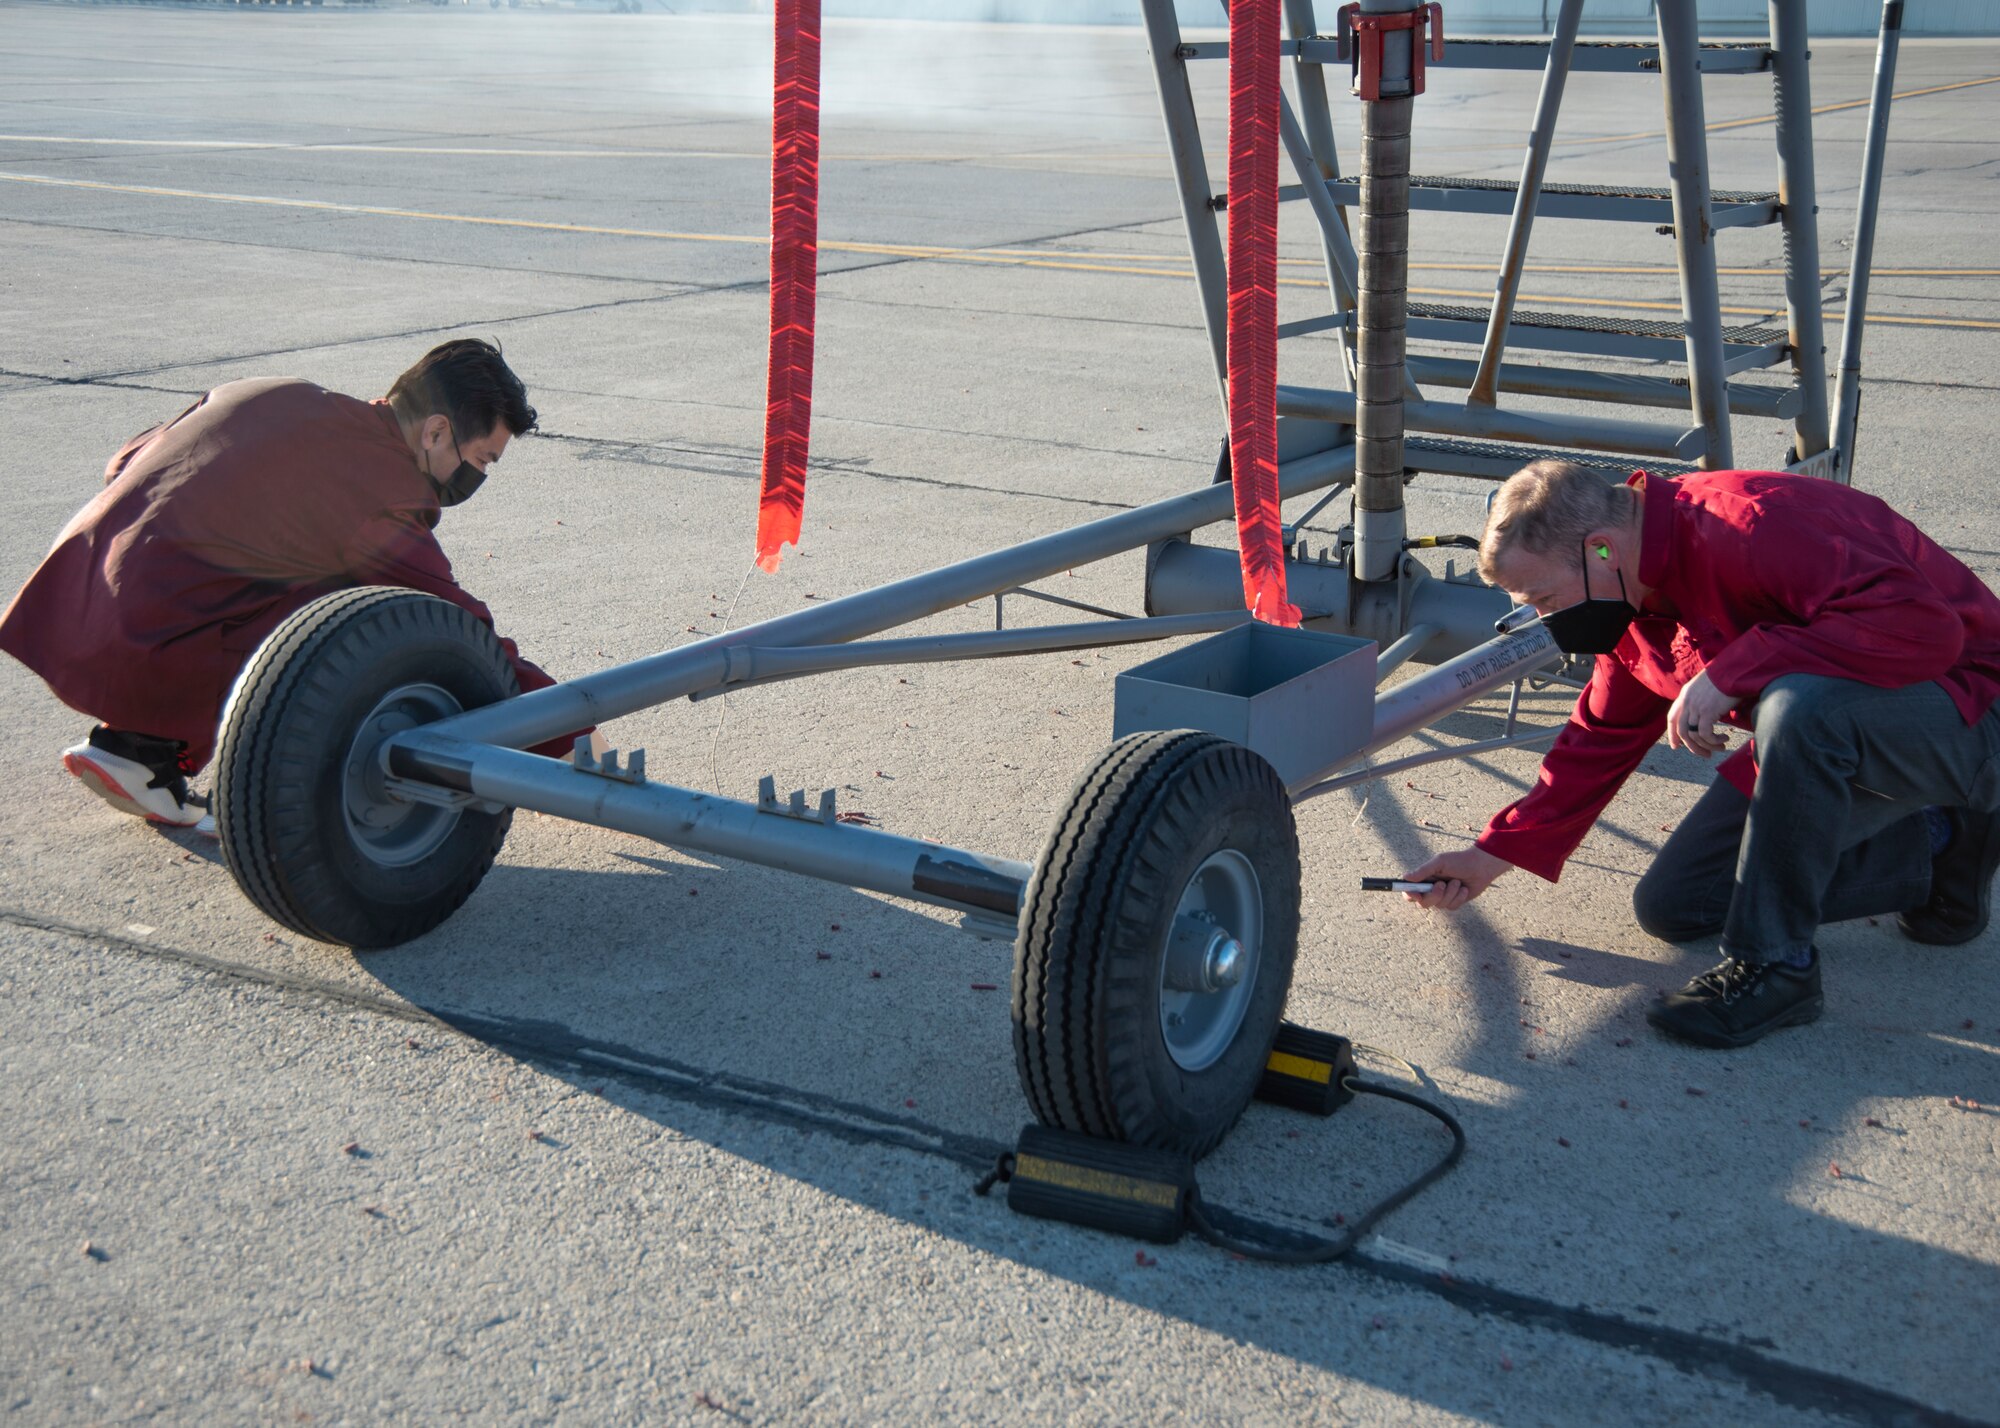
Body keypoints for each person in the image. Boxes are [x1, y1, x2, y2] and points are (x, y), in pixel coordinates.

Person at [1402, 460, 2000, 1049]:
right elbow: (1598, 739)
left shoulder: (1751, 526)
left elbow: (1926, 629)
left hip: (1971, 705)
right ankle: (1944, 836)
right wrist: (1490, 854)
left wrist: (1733, 671)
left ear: (1602, 550)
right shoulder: (1627, 591)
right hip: (1852, 736)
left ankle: (1775, 967)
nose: (1544, 618)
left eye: (1545, 598)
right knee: (1677, 905)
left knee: (1801, 708)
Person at [0, 338, 574, 831]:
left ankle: (133, 747)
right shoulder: (379, 488)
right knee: (360, 617)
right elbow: (451, 622)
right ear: (436, 431)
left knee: (265, 560)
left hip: (66, 601)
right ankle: (151, 745)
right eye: (480, 459)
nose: (474, 478)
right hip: (139, 651)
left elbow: (124, 461)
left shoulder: (274, 391)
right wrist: (565, 728)